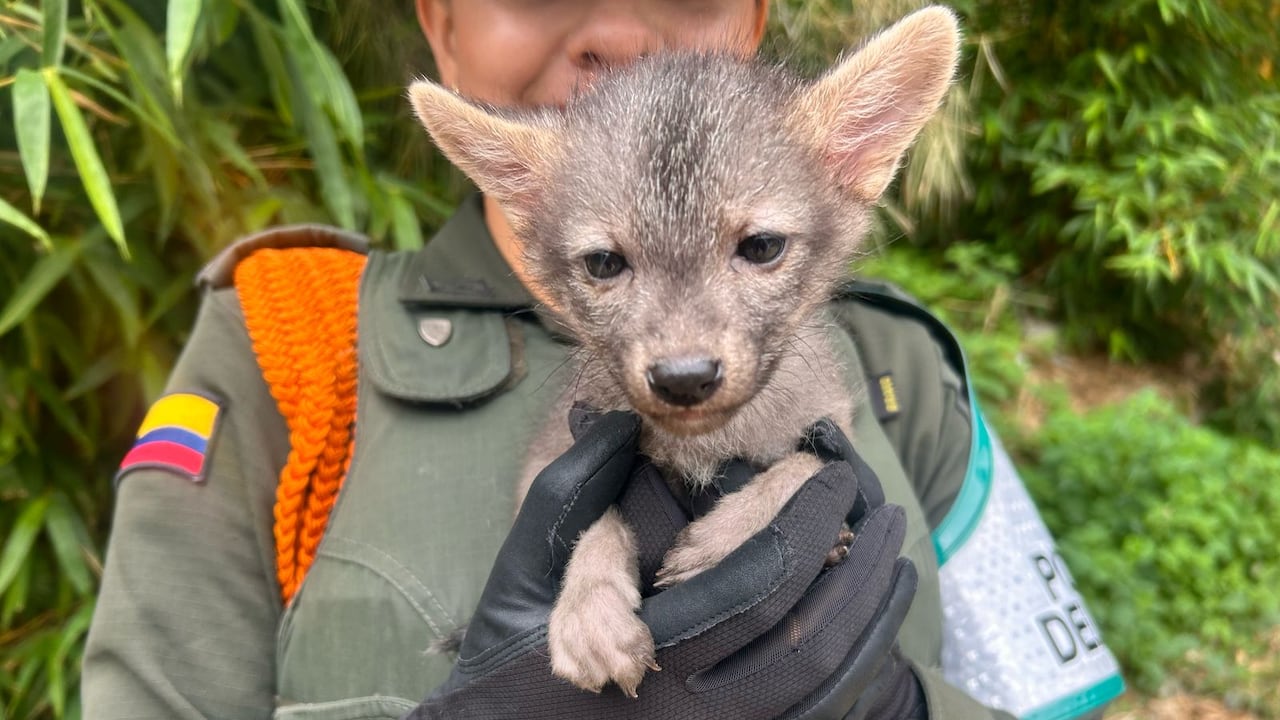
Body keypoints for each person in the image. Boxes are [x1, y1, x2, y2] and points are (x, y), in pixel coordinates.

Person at [81, 1, 1020, 718]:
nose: (614, 27)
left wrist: (908, 707)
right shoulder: (289, 341)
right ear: (439, 20)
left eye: (760, 248)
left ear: (756, 15)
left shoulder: (910, 370)